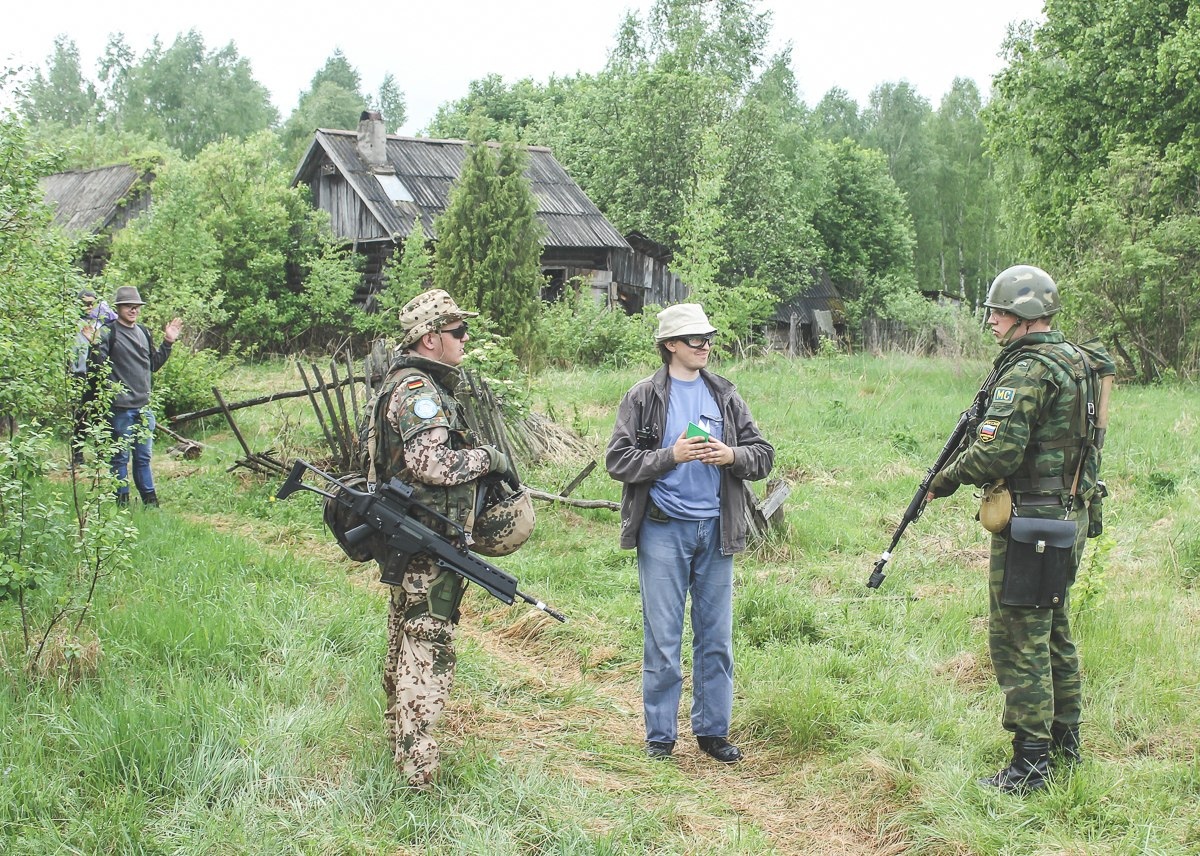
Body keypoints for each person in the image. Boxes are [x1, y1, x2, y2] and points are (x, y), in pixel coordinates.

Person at [925, 265, 1114, 794]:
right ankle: (1065, 745)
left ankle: (1030, 765)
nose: (991, 320)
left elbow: (999, 450)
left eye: (999, 311)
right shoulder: (1077, 359)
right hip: (1067, 513)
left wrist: (947, 477)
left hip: (1032, 521)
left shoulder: (1028, 370)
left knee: (1019, 639)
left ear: (1024, 316)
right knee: (1054, 631)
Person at [605, 303, 774, 763]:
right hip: (662, 530)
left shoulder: (725, 395)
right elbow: (617, 461)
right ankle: (660, 737)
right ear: (670, 346)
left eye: (707, 338)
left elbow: (763, 454)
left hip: (718, 531)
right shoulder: (642, 397)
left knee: (715, 637)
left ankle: (712, 733)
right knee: (662, 638)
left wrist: (732, 456)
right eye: (694, 339)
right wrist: (671, 456)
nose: (705, 346)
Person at [371, 288, 515, 787]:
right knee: (428, 650)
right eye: (458, 331)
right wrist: (490, 459)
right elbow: (430, 463)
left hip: (416, 538)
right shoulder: (419, 392)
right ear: (430, 339)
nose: (465, 338)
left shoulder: (407, 385)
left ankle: (399, 747)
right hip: (426, 542)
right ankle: (418, 774)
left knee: (404, 640)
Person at [88, 286, 182, 507]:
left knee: (143, 458)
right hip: (119, 408)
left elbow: (153, 365)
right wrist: (93, 346)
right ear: (118, 308)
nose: (134, 309)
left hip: (143, 407)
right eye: (129, 306)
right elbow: (97, 370)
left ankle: (151, 503)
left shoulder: (143, 331)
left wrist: (168, 342)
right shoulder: (107, 333)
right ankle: (122, 504)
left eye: (137, 306)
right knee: (119, 458)